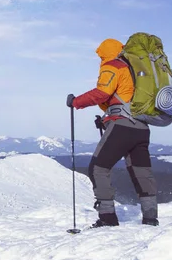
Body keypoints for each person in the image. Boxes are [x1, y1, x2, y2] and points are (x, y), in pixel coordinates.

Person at [66, 38, 159, 228]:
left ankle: (107, 218)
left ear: (105, 53)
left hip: (123, 126)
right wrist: (106, 118)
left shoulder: (113, 65)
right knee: (142, 172)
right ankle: (150, 218)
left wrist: (76, 102)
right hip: (142, 128)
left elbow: (102, 92)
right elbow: (121, 98)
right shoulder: (134, 70)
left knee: (98, 168)